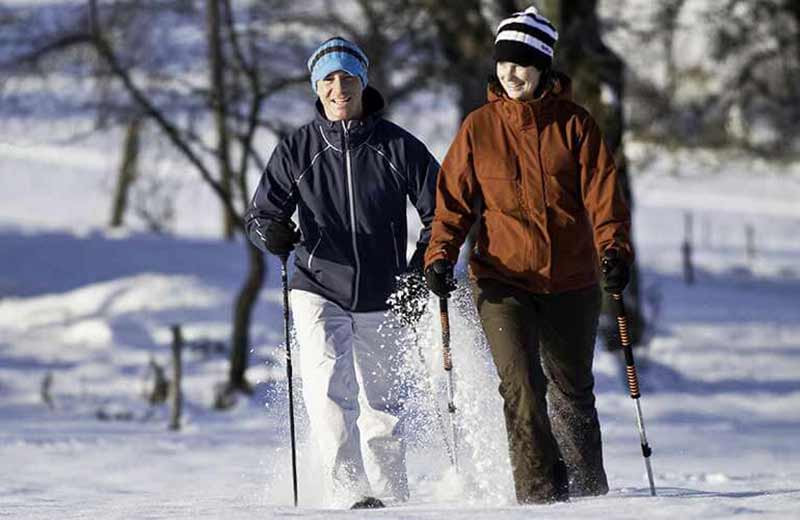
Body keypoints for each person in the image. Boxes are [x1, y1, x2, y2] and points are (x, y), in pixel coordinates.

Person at [423, 6, 633, 504]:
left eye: (521, 64)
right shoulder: (479, 128)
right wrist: (440, 255)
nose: (510, 74)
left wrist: (614, 251)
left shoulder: (576, 126)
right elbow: (452, 204)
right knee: (521, 390)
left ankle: (587, 499)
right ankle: (537, 499)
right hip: (502, 280)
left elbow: (605, 197)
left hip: (571, 280)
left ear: (542, 66)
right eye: (502, 63)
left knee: (572, 393)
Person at [245, 37, 439, 508]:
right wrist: (271, 233)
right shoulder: (298, 148)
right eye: (328, 79)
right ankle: (348, 496)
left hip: (384, 289)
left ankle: (392, 498)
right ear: (317, 87)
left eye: (347, 77)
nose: (338, 88)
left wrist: (421, 268)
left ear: (362, 82)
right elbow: (259, 215)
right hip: (317, 286)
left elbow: (444, 214)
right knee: (329, 395)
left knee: (383, 407)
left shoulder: (398, 147)